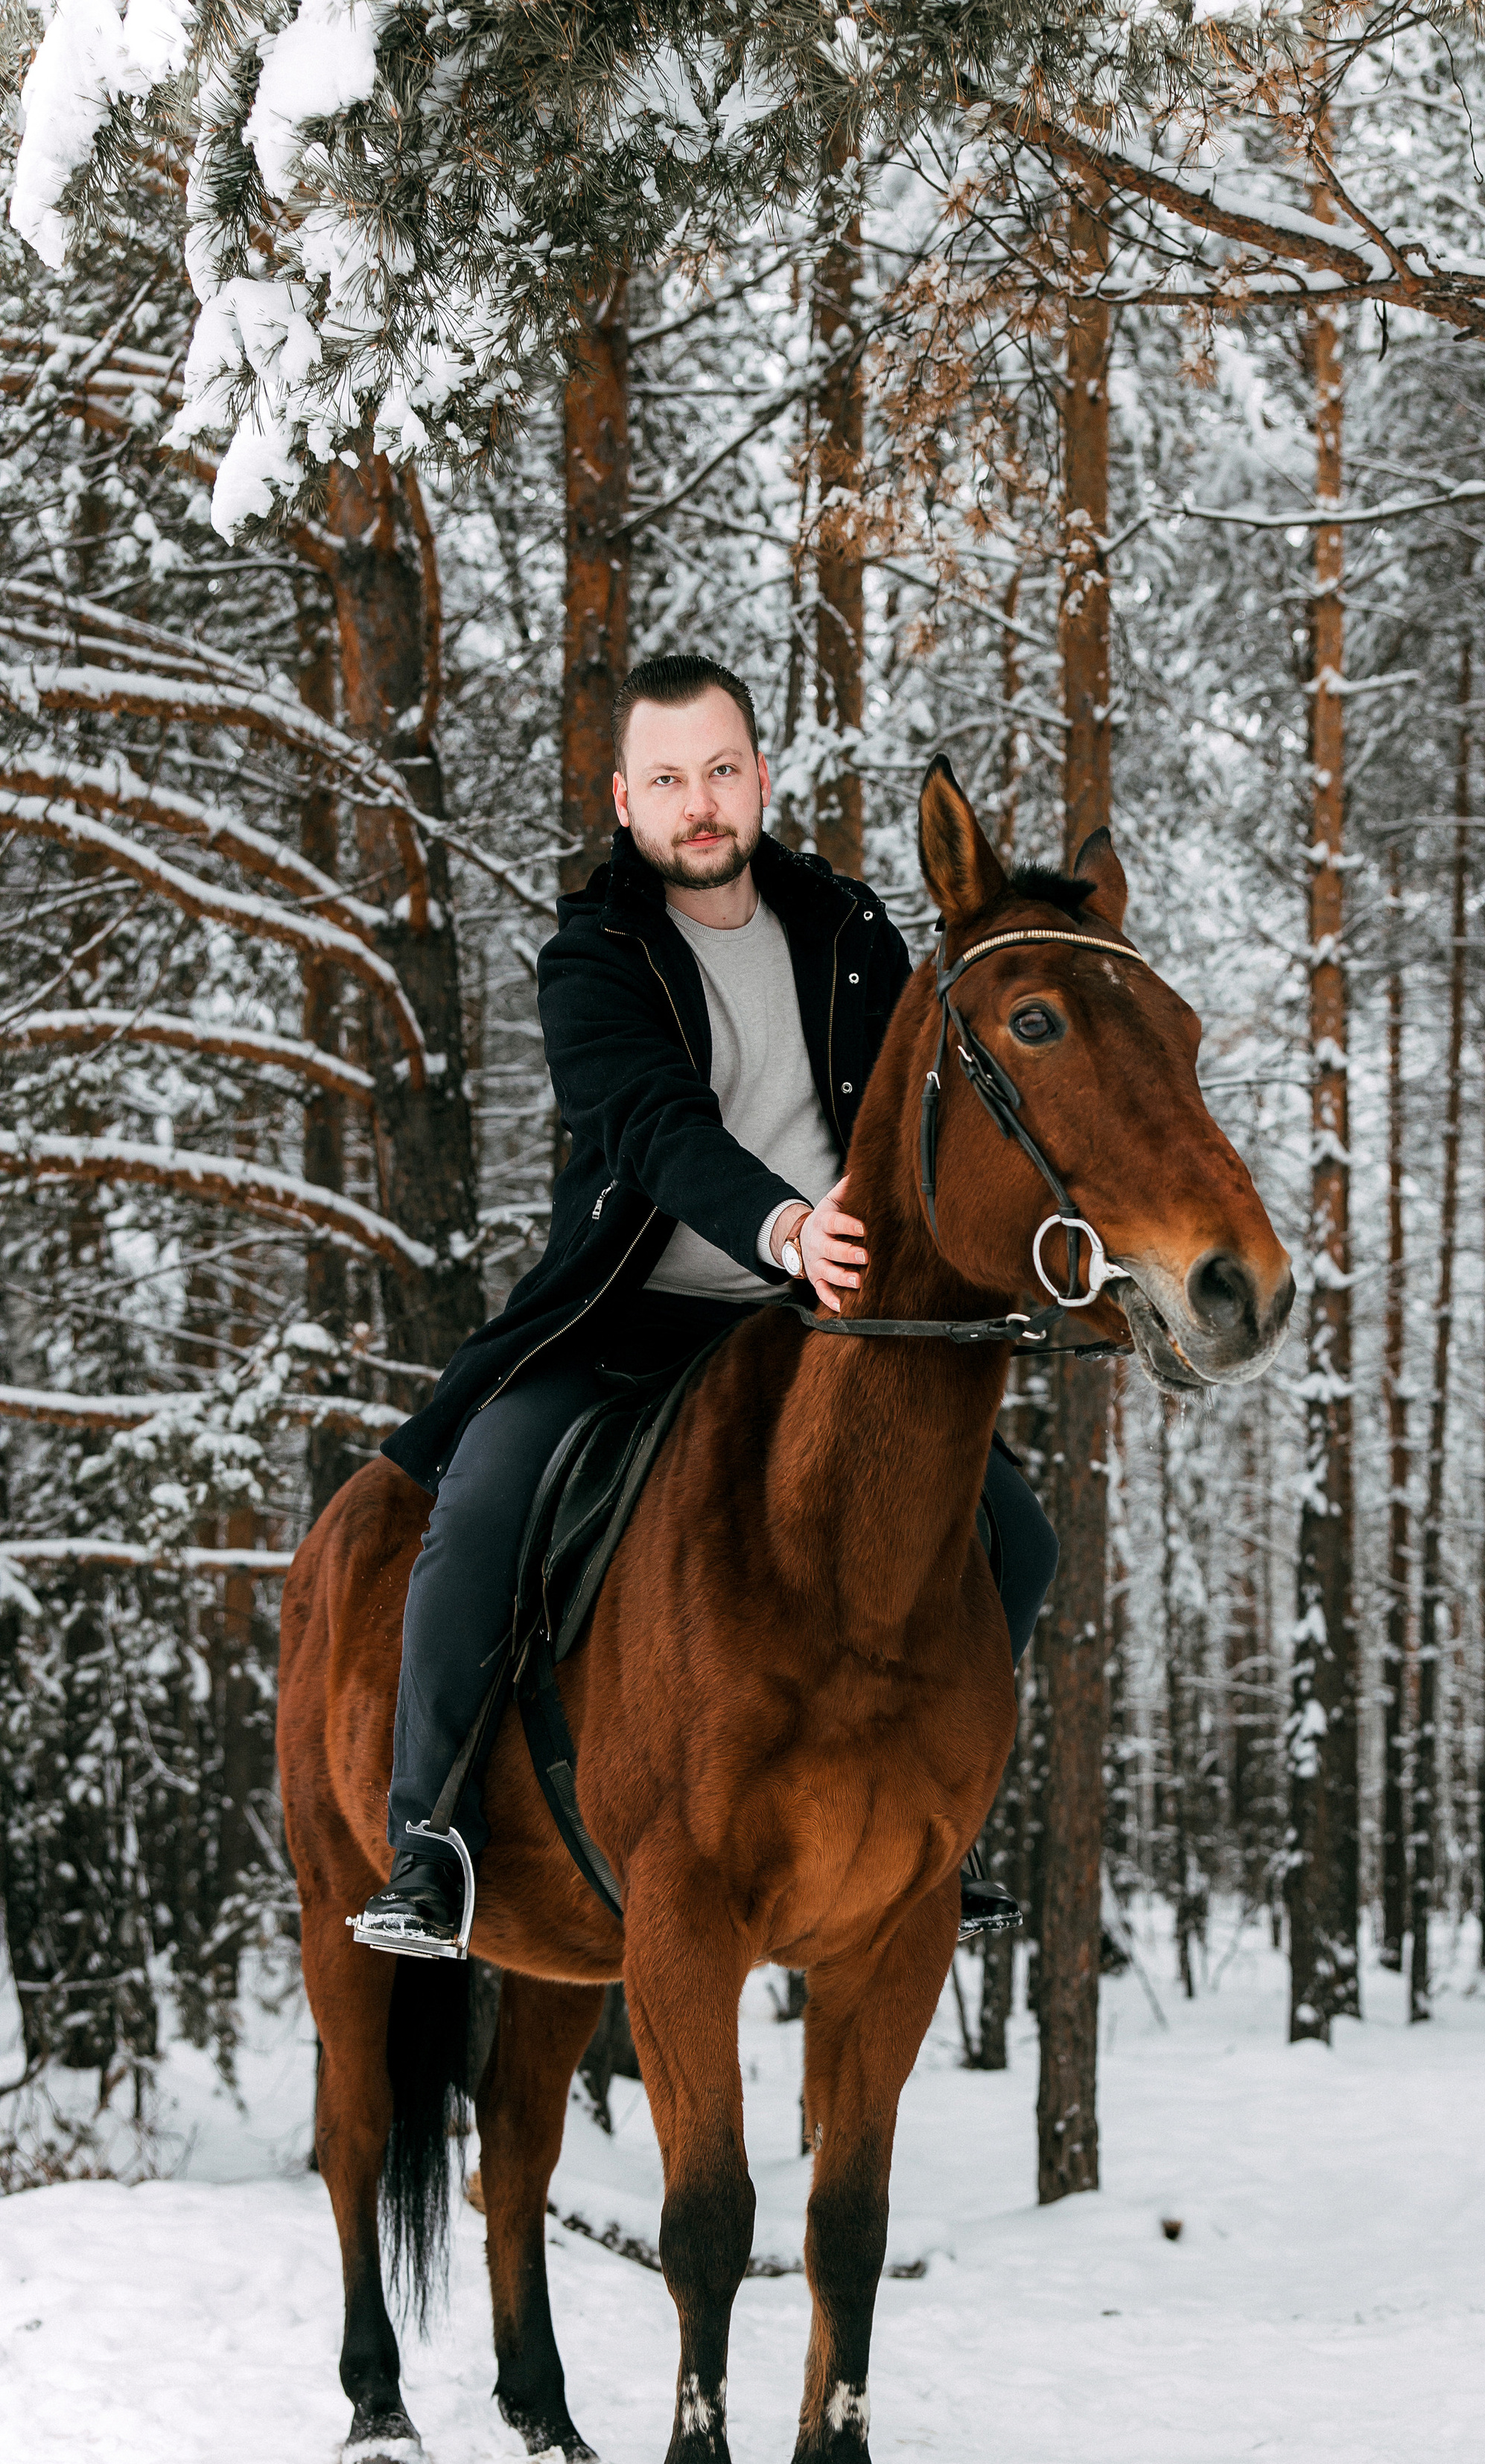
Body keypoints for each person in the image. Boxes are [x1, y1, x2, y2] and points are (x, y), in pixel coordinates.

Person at [355, 651, 1056, 1954]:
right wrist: (784, 1225)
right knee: (481, 1506)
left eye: (721, 771)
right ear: (627, 801)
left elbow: (927, 1118)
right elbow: (653, 1129)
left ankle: (928, 1825)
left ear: (760, 780)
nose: (700, 802)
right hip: (628, 1325)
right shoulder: (596, 955)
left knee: (1020, 1537)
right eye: (668, 778)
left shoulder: (851, 935)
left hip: (826, 1337)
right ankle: (434, 1840)